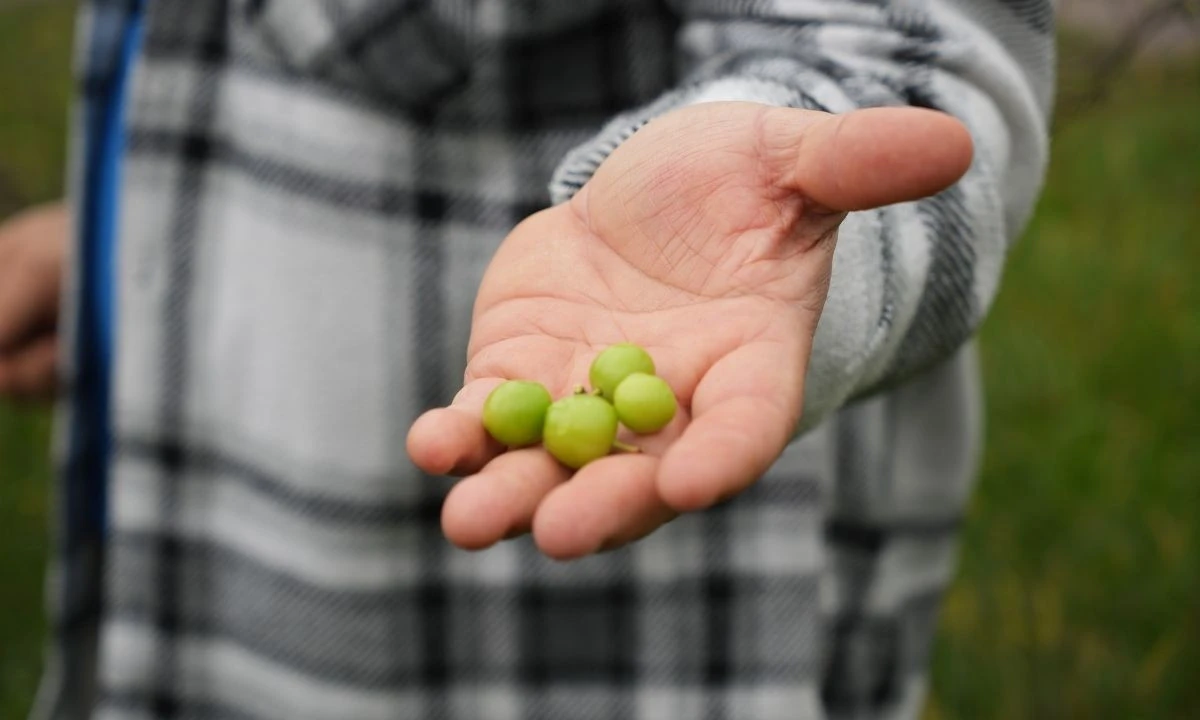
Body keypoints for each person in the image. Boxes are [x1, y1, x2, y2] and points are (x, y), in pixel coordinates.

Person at [0, 0, 1054, 718]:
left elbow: (909, 45)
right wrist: (118, 243)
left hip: (605, 640)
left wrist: (788, 206)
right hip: (224, 535)